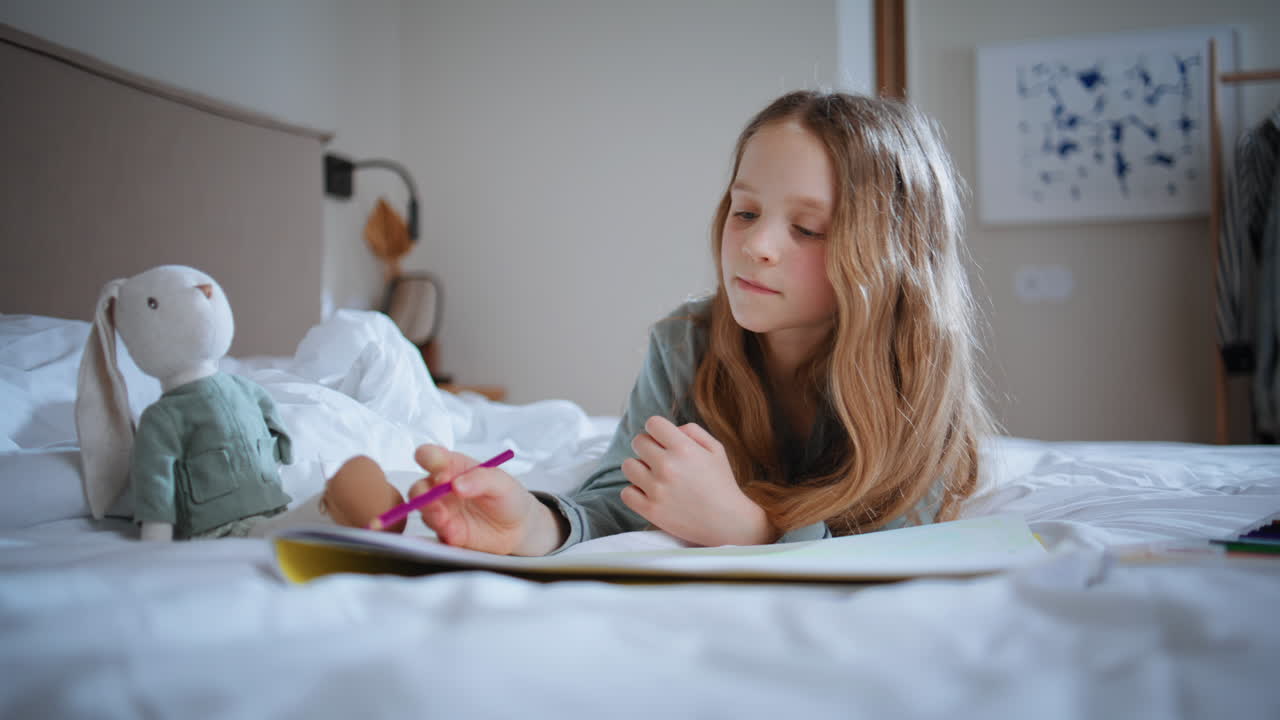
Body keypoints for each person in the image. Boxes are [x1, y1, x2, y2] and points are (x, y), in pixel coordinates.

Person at [325, 89, 994, 556]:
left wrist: (749, 529)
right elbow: (621, 495)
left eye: (809, 228)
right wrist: (531, 522)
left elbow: (905, 542)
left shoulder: (914, 371)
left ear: (891, 256)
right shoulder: (688, 345)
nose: (758, 245)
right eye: (745, 210)